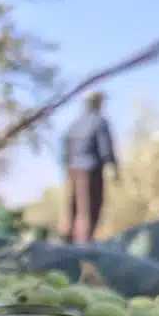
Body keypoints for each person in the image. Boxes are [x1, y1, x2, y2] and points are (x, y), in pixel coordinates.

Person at [58, 91, 119, 243]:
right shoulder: (99, 122)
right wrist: (113, 167)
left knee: (71, 207)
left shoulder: (74, 124)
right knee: (88, 209)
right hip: (91, 170)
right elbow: (105, 147)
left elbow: (65, 148)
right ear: (97, 102)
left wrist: (67, 167)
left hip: (72, 170)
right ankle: (84, 245)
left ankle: (66, 243)